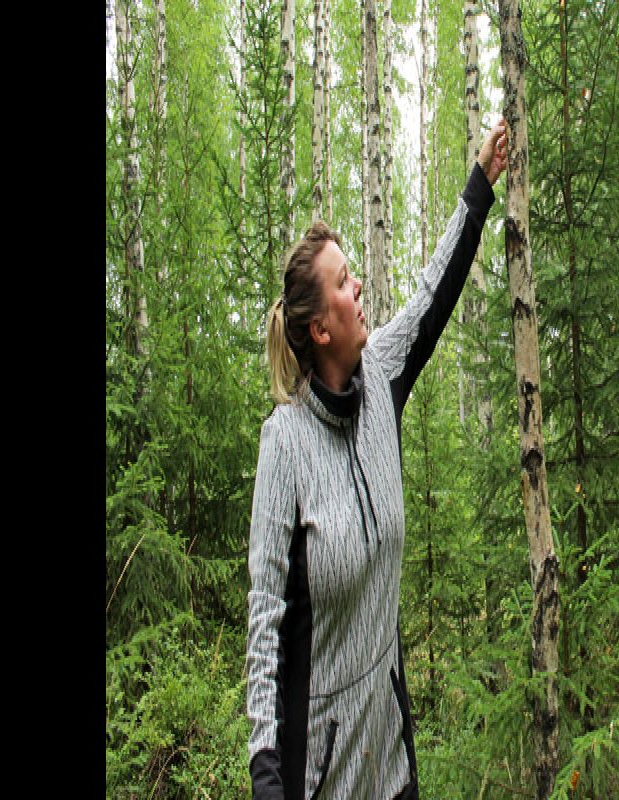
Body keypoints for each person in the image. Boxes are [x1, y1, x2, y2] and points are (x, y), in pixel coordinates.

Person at [246, 117, 510, 800]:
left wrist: (477, 187)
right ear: (320, 326)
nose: (359, 286)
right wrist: (267, 777)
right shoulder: (285, 444)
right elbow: (264, 620)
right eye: (343, 281)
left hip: (390, 760)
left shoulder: (384, 375)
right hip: (317, 772)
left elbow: (433, 294)